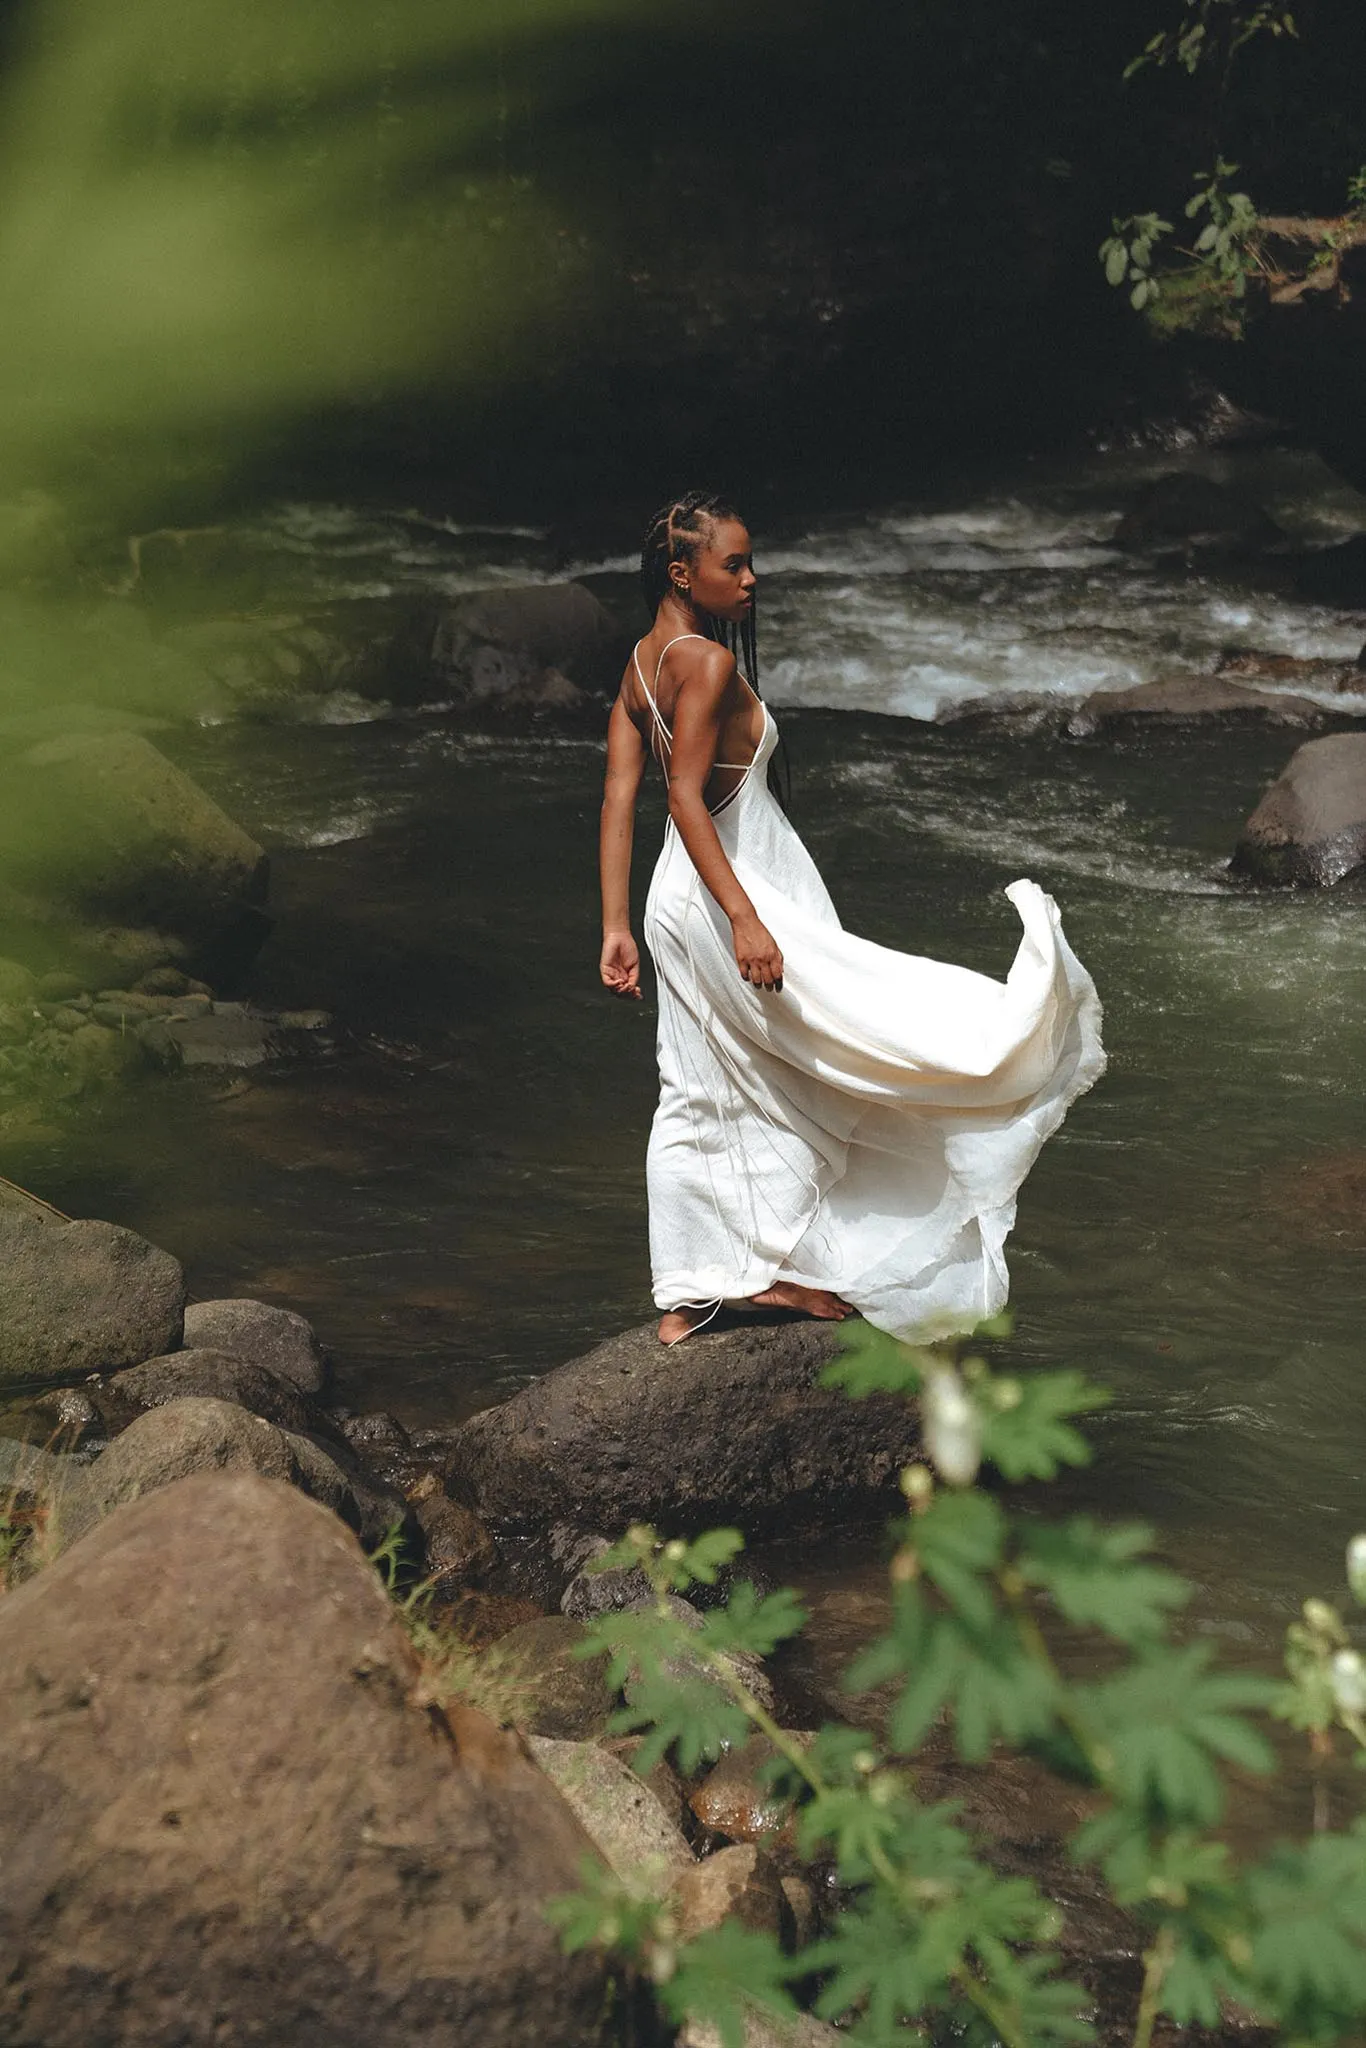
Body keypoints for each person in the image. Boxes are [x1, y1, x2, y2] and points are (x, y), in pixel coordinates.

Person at [599, 491, 1105, 1346]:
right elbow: (682, 794)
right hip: (726, 897)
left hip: (672, 899)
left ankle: (700, 1287)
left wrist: (617, 921)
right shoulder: (706, 664)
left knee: (706, 1084)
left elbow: (619, 795)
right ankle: (752, 1277)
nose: (752, 579)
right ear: (684, 574)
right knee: (838, 1054)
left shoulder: (643, 662)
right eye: (735, 565)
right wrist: (746, 920)